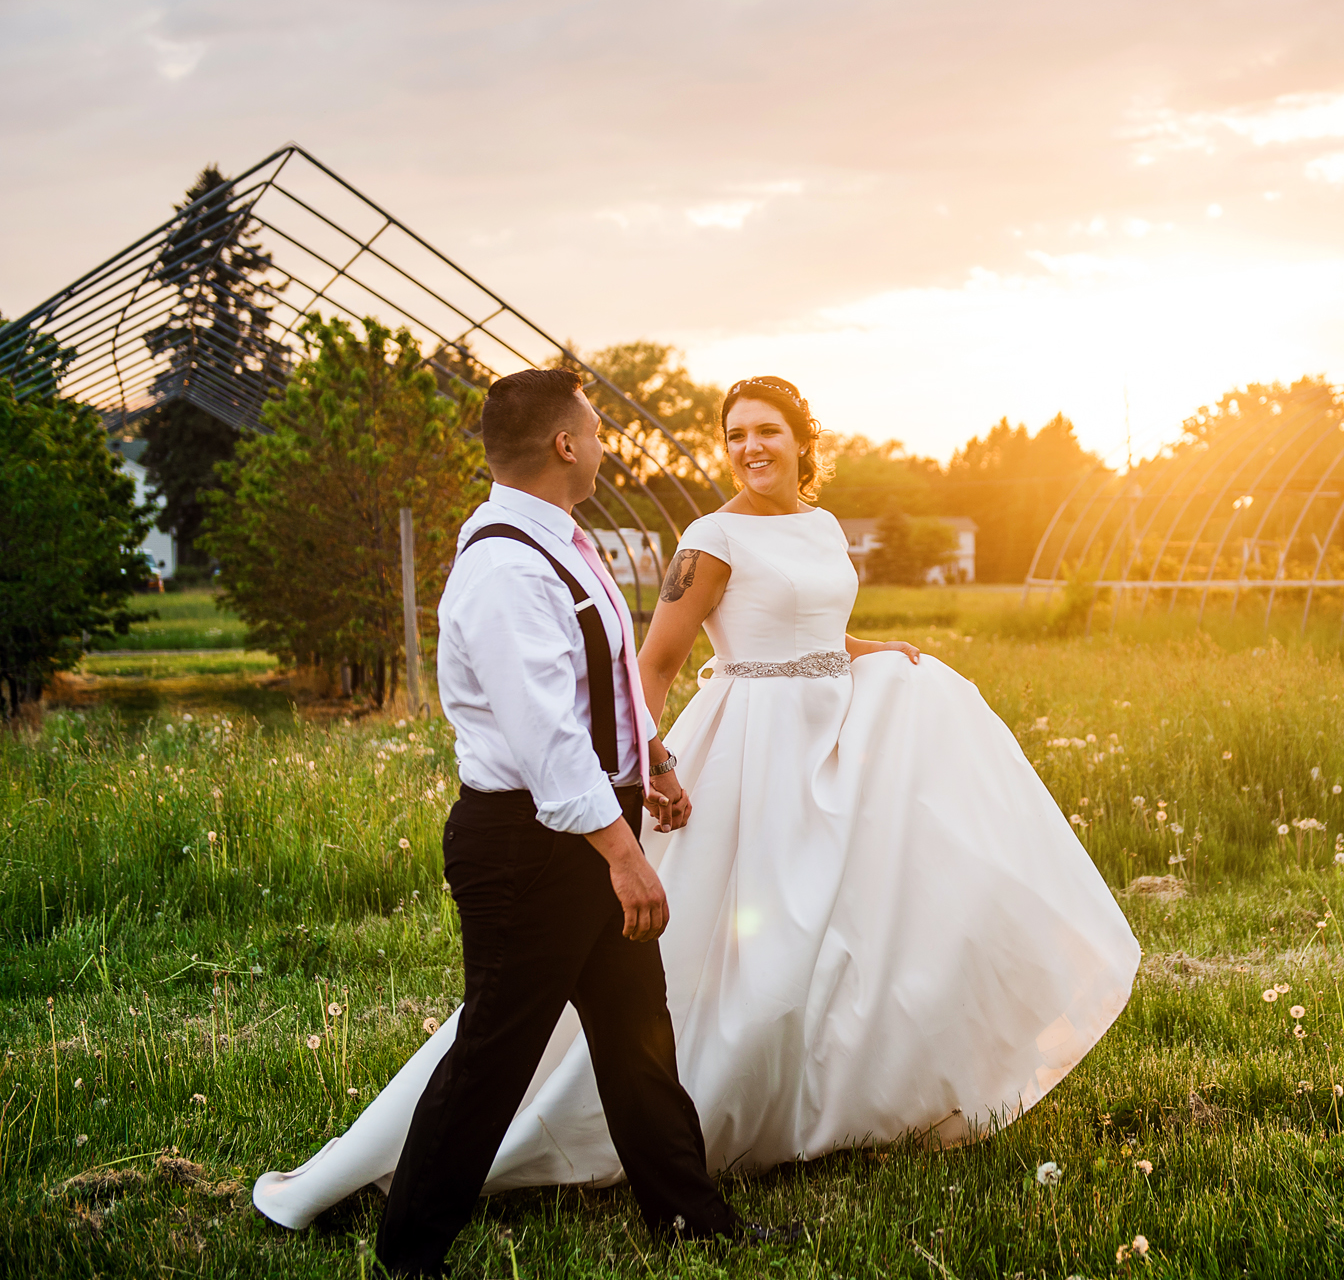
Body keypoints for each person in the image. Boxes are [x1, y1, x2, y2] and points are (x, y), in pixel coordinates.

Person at [253, 372, 1137, 1237]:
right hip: (546, 829)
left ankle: (688, 1214)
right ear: (566, 444)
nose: (748, 447)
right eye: (735, 432)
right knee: (501, 1046)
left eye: (766, 431)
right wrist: (625, 844)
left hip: (609, 808)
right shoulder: (529, 563)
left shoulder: (569, 542)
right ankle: (403, 1238)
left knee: (640, 1030)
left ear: (802, 442)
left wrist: (657, 761)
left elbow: (644, 675)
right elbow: (576, 717)